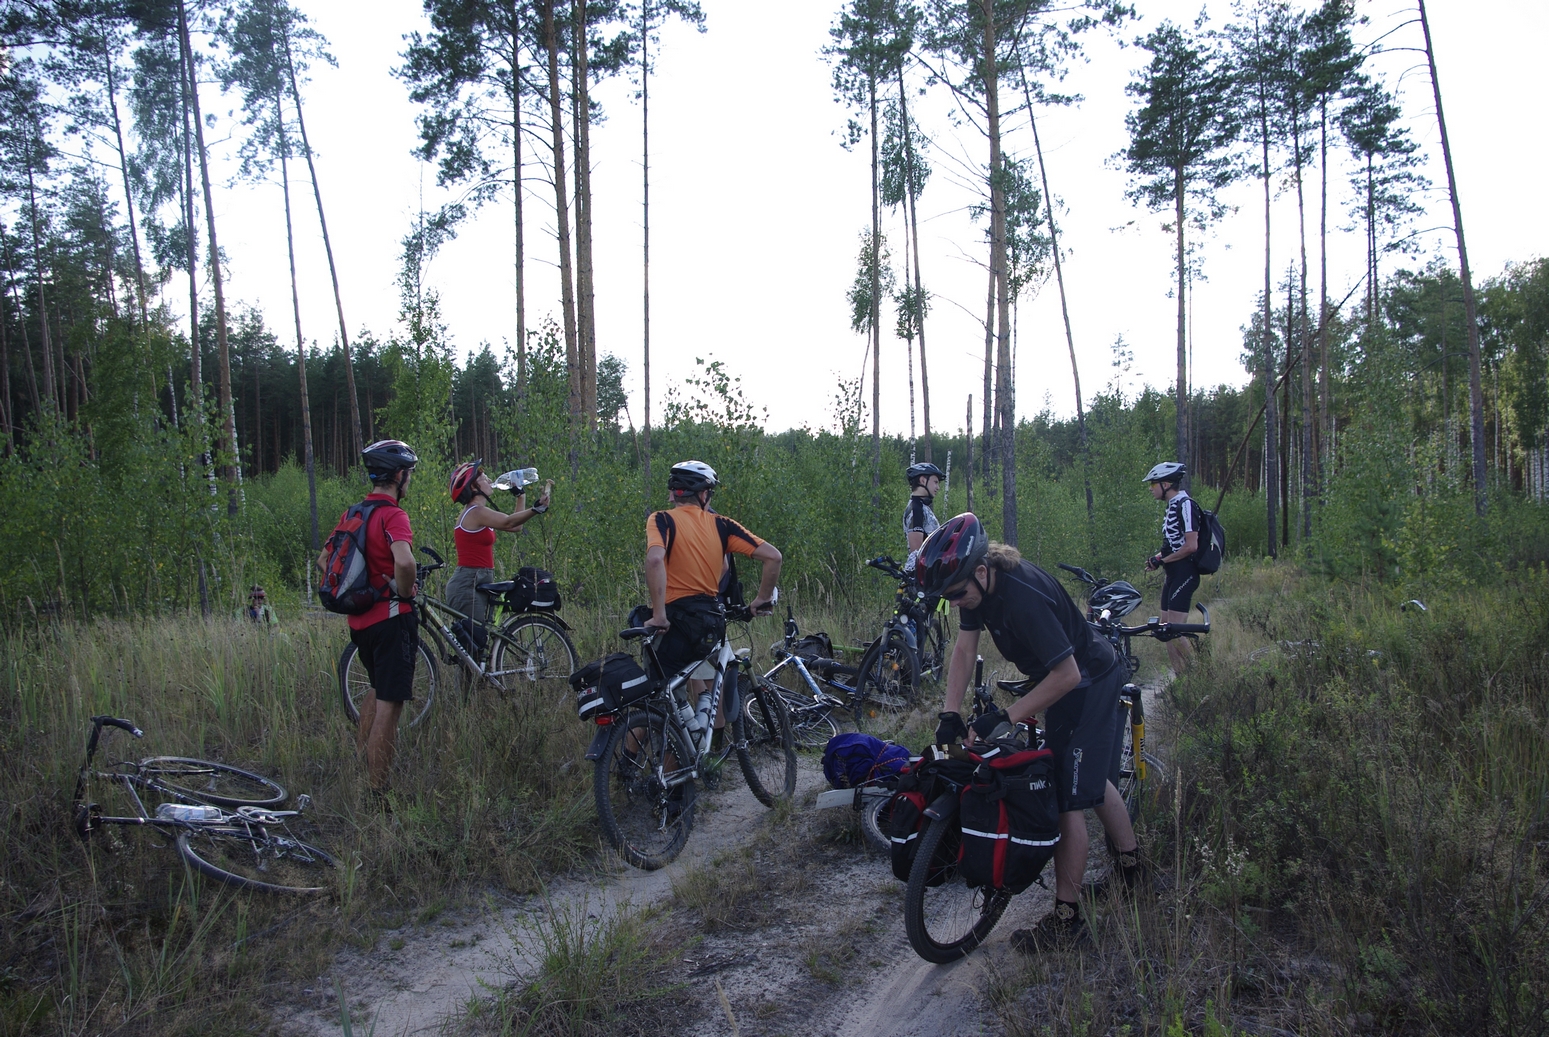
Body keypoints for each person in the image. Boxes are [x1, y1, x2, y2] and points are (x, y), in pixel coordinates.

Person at [918, 513, 1144, 953]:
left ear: (981, 571)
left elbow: (1068, 674)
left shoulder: (1022, 597)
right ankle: (1133, 869)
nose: (956, 602)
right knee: (1087, 780)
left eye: (958, 594)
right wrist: (949, 712)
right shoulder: (976, 588)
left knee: (1066, 796)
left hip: (1089, 681)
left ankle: (1067, 921)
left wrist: (1008, 716)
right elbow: (964, 649)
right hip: (1061, 679)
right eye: (948, 598)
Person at [318, 439, 420, 796]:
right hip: (391, 620)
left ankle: (363, 762)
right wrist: (403, 592)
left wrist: (363, 589)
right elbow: (404, 561)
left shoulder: (353, 513)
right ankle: (378, 793)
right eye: (409, 474)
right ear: (399, 476)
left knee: (376, 690)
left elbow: (323, 561)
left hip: (360, 623)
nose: (409, 480)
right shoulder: (393, 515)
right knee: (390, 706)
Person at [644, 461, 781, 687]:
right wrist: (763, 598)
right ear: (703, 494)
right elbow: (773, 557)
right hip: (710, 619)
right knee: (711, 680)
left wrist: (659, 615)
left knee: (659, 692)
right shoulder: (722, 525)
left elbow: (655, 559)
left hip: (675, 619)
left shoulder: (662, 519)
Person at [445, 459, 553, 653]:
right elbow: (509, 522)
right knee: (473, 648)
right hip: (468, 583)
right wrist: (536, 508)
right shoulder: (475, 512)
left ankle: (484, 673)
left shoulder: (479, 512)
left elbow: (515, 526)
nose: (489, 480)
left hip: (477, 580)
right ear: (474, 487)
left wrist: (520, 496)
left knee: (477, 646)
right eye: (484, 478)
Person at [1143, 461, 1203, 673]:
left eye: (1153, 484)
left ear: (1166, 484)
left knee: (1174, 630)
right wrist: (1157, 558)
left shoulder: (1186, 505)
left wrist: (1163, 560)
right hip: (1172, 574)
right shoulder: (1172, 506)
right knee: (1165, 630)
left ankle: (1198, 677)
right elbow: (1174, 545)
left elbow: (1191, 546)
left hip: (1185, 573)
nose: (1151, 488)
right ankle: (1181, 680)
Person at [902, 462, 944, 572]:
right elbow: (916, 551)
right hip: (925, 573)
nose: (938, 487)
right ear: (923, 480)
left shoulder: (921, 507)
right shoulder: (916, 509)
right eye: (935, 482)